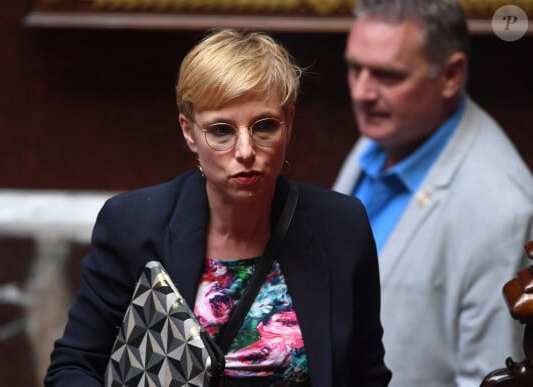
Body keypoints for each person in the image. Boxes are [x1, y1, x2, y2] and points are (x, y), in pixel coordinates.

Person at [44, 28, 391, 387]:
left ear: (289, 124)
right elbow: (73, 367)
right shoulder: (133, 224)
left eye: (264, 126)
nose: (245, 151)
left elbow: (367, 375)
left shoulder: (340, 227)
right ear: (189, 132)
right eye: (222, 130)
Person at [332, 1, 533, 386]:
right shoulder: (383, 136)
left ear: (450, 74)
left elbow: (486, 377)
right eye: (355, 68)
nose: (361, 92)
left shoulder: (501, 210)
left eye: (387, 75)